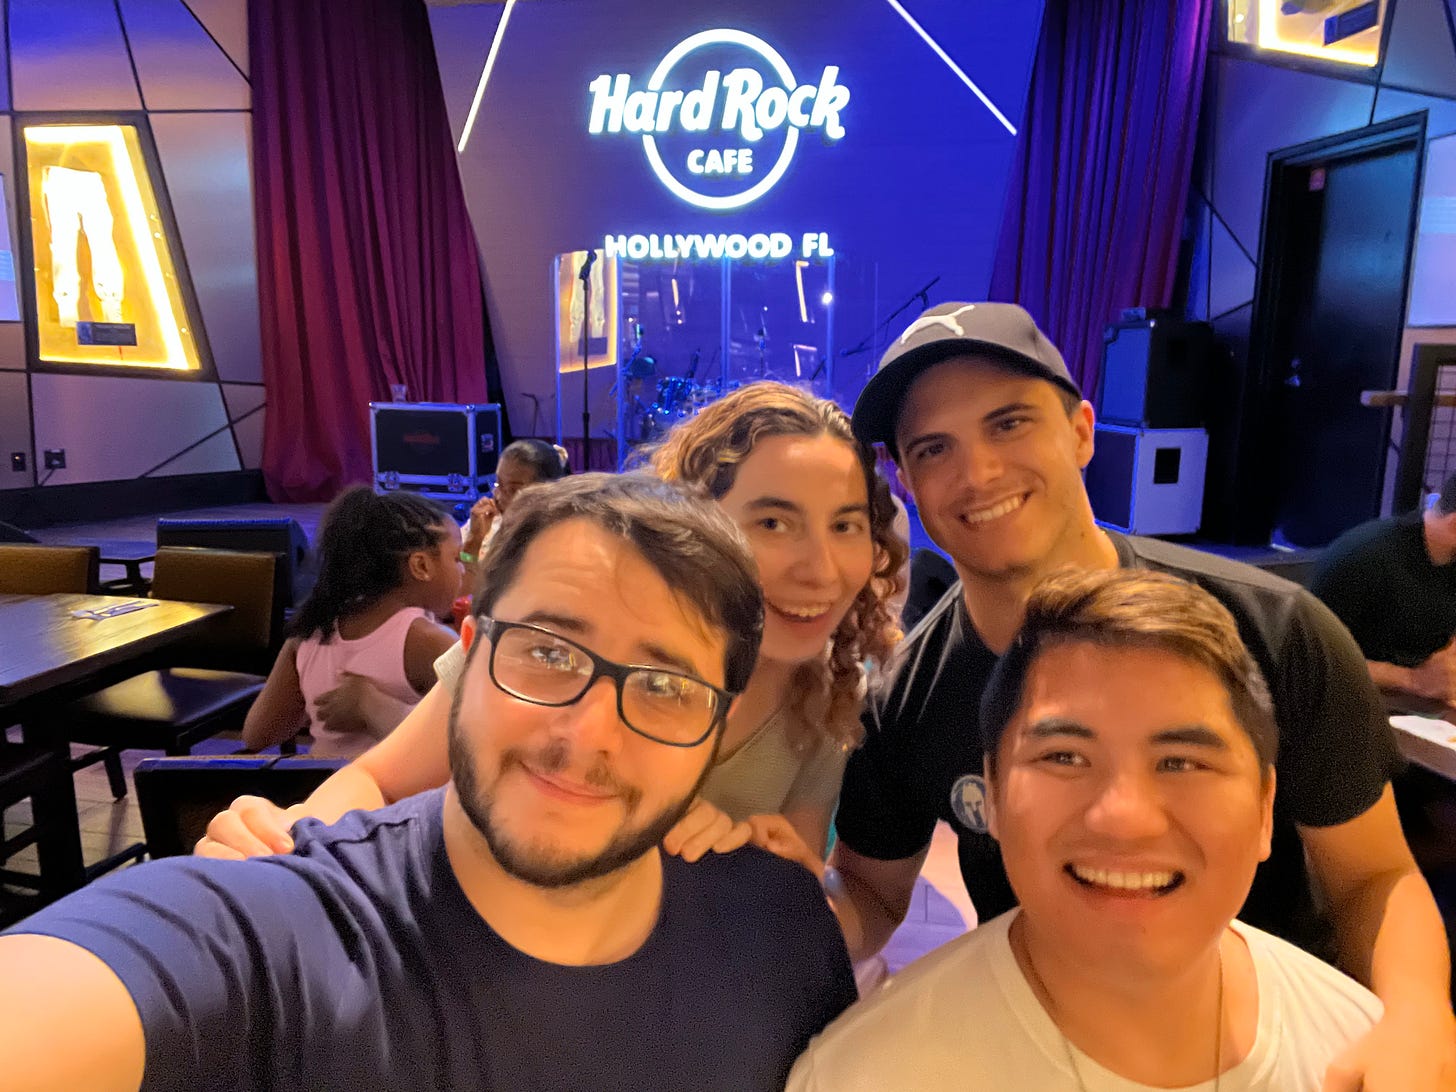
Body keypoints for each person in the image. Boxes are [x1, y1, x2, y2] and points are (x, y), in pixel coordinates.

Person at [0, 473, 856, 1091]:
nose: (587, 734)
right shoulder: (277, 938)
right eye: (549, 653)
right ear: (468, 657)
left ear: (717, 725)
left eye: (665, 685)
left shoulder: (780, 932)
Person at [827, 301, 1455, 1089]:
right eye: (934, 448)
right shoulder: (905, 698)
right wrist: (745, 898)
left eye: (1009, 424)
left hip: (1279, 1051)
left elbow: (1373, 877)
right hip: (1044, 1051)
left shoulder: (1275, 632)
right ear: (906, 482)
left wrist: (1417, 1015)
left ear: (1082, 431)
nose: (978, 472)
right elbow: (869, 889)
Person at [196, 382, 906, 865]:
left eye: (846, 525)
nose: (821, 569)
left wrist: (770, 869)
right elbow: (377, 782)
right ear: (694, 525)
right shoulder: (552, 639)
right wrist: (282, 843)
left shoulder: (827, 697)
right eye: (774, 522)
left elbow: (801, 890)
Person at [791, 568, 1382, 1090]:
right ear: (991, 794)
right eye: (1065, 758)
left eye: (1181, 762)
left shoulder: (1361, 1048)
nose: (1124, 818)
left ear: (1265, 807)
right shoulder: (860, 1075)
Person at [240, 487, 462, 758]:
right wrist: (373, 706)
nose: (462, 569)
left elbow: (258, 733)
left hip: (325, 781)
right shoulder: (429, 642)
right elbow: (470, 743)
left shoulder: (311, 633)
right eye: (456, 558)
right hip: (395, 785)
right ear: (421, 566)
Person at [1310, 474, 1456, 712]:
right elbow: (1312, 660)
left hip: (1421, 711)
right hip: (1350, 709)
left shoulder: (1449, 559)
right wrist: (1413, 680)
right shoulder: (1363, 556)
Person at [462, 438, 569, 564]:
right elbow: (461, 573)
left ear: (547, 492)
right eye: (498, 484)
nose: (498, 497)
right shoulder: (484, 524)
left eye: (513, 490)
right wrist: (473, 542)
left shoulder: (558, 538)